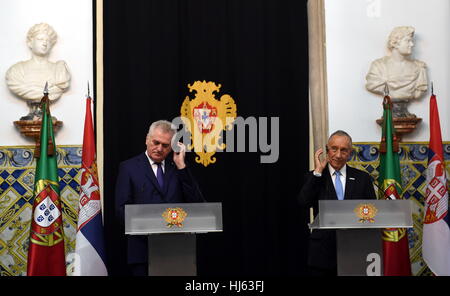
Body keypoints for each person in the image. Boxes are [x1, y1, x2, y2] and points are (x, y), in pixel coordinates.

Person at [115, 120, 205, 276]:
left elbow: (197, 204)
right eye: (156, 143)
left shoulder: (177, 168)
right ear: (147, 139)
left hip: (177, 251)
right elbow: (121, 210)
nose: (159, 149)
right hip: (142, 251)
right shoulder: (128, 168)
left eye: (165, 145)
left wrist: (181, 165)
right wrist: (152, 230)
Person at [297, 130, 376, 276]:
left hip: (355, 251)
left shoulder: (362, 178)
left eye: (343, 150)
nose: (338, 155)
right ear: (327, 150)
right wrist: (318, 172)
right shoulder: (315, 176)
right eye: (334, 149)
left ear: (350, 153)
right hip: (322, 254)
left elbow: (373, 212)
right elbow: (303, 203)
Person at [5, 23, 71, 120]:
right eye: (40, 39)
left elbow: (59, 87)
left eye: (48, 41)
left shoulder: (59, 70)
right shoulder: (16, 71)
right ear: (30, 43)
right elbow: (16, 85)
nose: (45, 43)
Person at [365, 26, 427, 118]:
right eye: (408, 41)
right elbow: (371, 84)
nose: (412, 44)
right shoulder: (378, 66)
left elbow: (418, 93)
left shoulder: (418, 67)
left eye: (412, 41)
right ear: (395, 43)